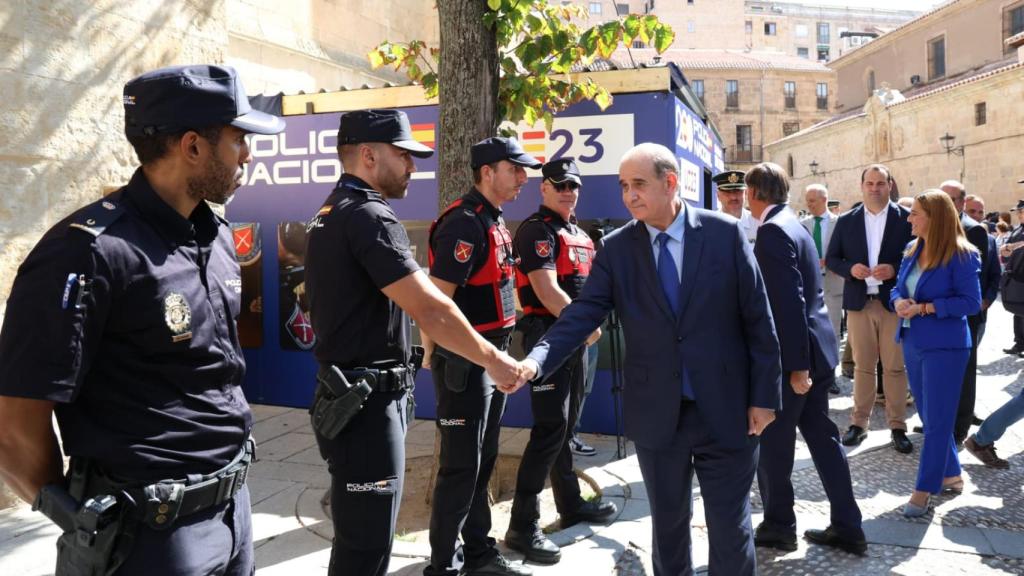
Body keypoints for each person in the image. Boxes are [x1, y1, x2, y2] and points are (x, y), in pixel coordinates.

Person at [0, 64, 284, 575]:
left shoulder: (216, 238)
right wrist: (79, 519)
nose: (249, 154)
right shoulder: (86, 253)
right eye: (239, 139)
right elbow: (17, 426)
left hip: (234, 512)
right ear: (193, 146)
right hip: (148, 537)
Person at [516, 143, 782, 576]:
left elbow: (759, 320)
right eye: (623, 186)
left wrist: (764, 398)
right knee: (669, 528)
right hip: (659, 416)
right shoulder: (617, 249)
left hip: (728, 409)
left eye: (638, 184)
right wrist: (535, 361)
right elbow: (581, 313)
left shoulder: (723, 234)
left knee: (731, 529)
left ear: (670, 182)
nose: (629, 196)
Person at [303, 110, 524, 576]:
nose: (412, 166)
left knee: (359, 543)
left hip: (354, 397)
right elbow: (432, 308)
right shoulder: (367, 216)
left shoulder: (334, 210)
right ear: (367, 155)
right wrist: (495, 360)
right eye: (403, 155)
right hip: (364, 405)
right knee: (365, 548)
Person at [421, 137, 539, 576]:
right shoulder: (462, 224)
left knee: (483, 461)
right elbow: (436, 304)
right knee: (460, 469)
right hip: (467, 366)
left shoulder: (493, 220)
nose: (523, 178)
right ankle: (443, 566)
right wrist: (430, 354)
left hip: (495, 362)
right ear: (487, 172)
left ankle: (477, 553)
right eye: (515, 169)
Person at [745, 163, 865, 555]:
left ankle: (779, 525)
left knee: (775, 446)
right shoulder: (794, 224)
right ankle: (848, 525)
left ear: (755, 194)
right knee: (825, 440)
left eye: (747, 193)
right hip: (817, 349)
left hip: (796, 359)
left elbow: (788, 304)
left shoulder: (772, 231)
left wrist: (797, 367)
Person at [504, 158, 616, 564]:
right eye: (560, 184)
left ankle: (570, 503)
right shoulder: (537, 230)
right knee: (549, 430)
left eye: (574, 185)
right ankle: (522, 526)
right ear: (544, 189)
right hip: (549, 338)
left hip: (574, 340)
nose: (568, 191)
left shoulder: (576, 233)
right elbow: (547, 290)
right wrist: (584, 327)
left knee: (565, 429)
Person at [891, 190, 981, 517]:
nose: (909, 218)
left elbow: (971, 303)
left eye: (915, 213)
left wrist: (926, 307)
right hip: (913, 342)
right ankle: (952, 475)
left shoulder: (963, 255)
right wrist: (898, 301)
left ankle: (924, 490)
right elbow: (898, 287)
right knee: (932, 417)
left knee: (938, 421)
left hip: (946, 347)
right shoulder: (912, 249)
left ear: (934, 217)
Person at [826, 164, 914, 453]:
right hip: (859, 304)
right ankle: (858, 424)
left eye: (880, 183)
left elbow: (919, 258)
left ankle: (897, 426)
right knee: (863, 368)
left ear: (890, 185)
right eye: (870, 183)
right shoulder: (847, 220)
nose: (875, 188)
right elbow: (832, 258)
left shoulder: (906, 220)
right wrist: (851, 268)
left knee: (894, 368)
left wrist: (895, 269)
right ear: (862, 186)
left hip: (893, 304)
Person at [937, 181, 991, 445]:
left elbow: (981, 279)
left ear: (961, 202)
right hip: (935, 315)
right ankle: (938, 423)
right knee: (940, 372)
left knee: (963, 374)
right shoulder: (930, 227)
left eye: (950, 199)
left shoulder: (974, 230)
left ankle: (959, 428)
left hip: (963, 316)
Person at [801, 184, 843, 394]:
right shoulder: (802, 224)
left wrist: (833, 262)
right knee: (811, 330)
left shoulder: (840, 223)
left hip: (833, 284)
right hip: (809, 284)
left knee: (833, 332)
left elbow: (847, 251)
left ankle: (831, 376)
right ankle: (812, 372)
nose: (808, 204)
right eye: (807, 200)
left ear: (824, 199)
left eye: (812, 200)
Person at [1002, 199, 1024, 357]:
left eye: (1021, 212)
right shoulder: (1017, 230)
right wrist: (1004, 250)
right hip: (1016, 276)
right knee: (1017, 311)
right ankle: (1019, 342)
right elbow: (1006, 249)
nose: (1019, 215)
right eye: (1018, 212)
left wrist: (1012, 247)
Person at [712, 170, 758, 243]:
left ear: (745, 193)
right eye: (727, 192)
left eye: (737, 191)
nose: (733, 197)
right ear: (718, 195)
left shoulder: (757, 225)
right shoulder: (710, 225)